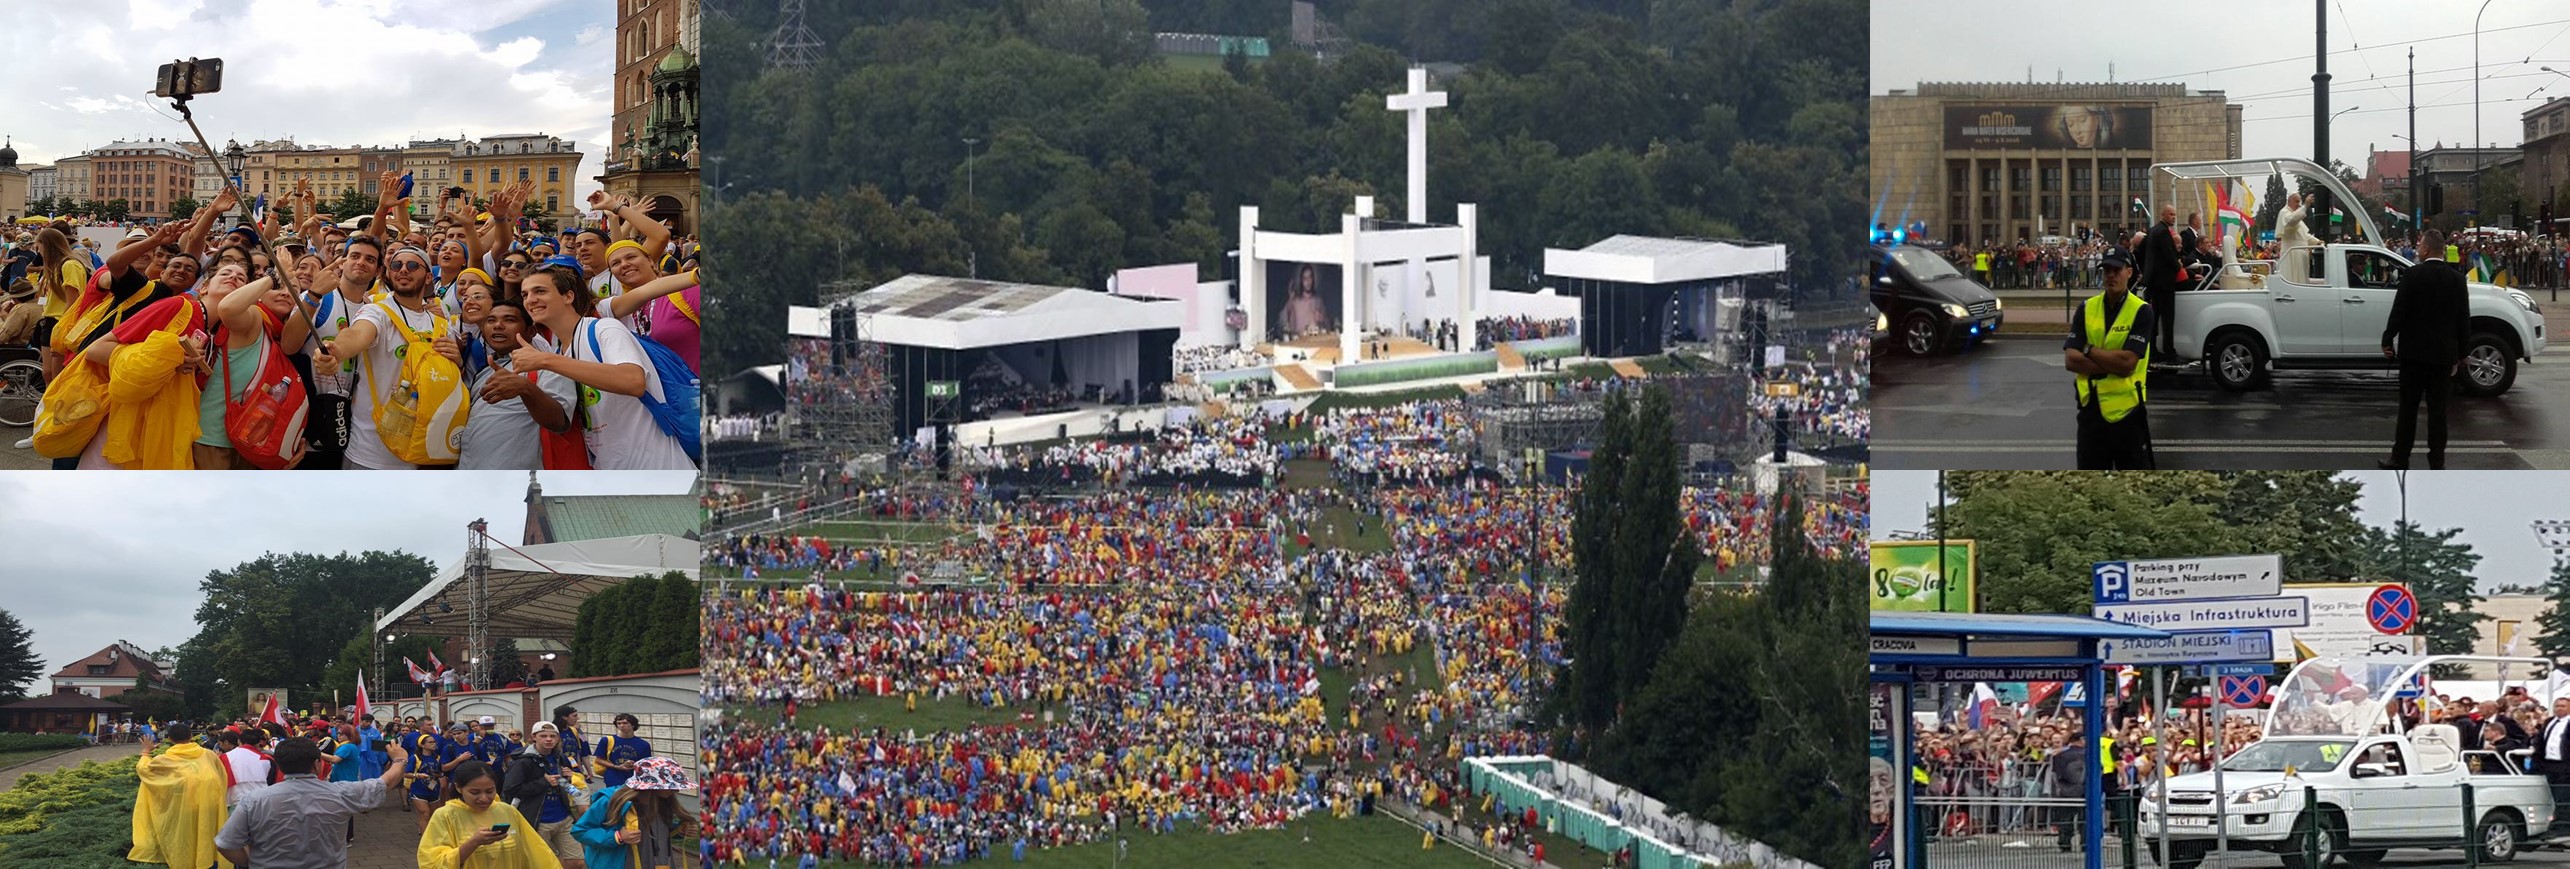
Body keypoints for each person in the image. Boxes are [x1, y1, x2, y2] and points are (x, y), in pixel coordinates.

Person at [212, 734, 410, 868]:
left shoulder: (254, 800)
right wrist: (400, 759)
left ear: (279, 764)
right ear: (317, 764)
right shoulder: (342, 793)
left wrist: (251, 862)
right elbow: (385, 783)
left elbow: (225, 843)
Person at [2381, 229, 2470, 470]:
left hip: (2414, 355)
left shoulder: (2412, 275)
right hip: (2443, 357)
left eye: (2420, 245)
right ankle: (2437, 461)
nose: (2419, 249)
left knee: (2408, 409)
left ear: (2425, 250)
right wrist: (2463, 353)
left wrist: (2388, 339)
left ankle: (2400, 457)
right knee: (2438, 412)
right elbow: (2463, 319)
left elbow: (2399, 311)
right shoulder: (2457, 280)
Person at [2064, 248, 2155, 469]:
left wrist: (2087, 348)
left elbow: (2127, 364)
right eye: (2106, 270)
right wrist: (2109, 361)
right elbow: (2071, 361)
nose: (2110, 275)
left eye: (2117, 269)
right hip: (2090, 413)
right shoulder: (2086, 308)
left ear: (2130, 272)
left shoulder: (2141, 311)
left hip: (2127, 414)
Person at [417, 759, 566, 869]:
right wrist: (473, 842)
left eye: (490, 791)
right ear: (458, 787)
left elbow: (535, 851)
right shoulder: (445, 815)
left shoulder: (507, 811)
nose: (484, 798)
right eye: (474, 792)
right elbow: (432, 863)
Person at [131, 723, 233, 869]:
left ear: (170, 739)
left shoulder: (165, 759)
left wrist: (146, 752)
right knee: (207, 837)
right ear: (191, 736)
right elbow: (222, 777)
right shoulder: (209, 755)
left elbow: (144, 770)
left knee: (186, 840)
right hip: (210, 808)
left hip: (184, 808)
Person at [571, 756, 699, 869]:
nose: (676, 791)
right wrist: (616, 837)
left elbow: (655, 832)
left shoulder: (662, 800)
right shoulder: (611, 801)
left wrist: (679, 831)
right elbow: (580, 831)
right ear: (651, 785)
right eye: (670, 786)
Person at [502, 722, 584, 867]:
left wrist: (570, 777)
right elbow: (509, 790)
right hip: (538, 820)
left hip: (564, 818)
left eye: (553, 736)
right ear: (534, 737)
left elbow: (564, 783)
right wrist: (542, 782)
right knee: (544, 863)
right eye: (543, 736)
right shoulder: (523, 761)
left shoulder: (560, 757)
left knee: (576, 862)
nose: (548, 739)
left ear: (558, 738)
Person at [2136, 204, 2184, 356]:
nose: (2174, 217)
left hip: (2152, 282)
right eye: (2171, 214)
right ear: (2163, 215)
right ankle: (2169, 350)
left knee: (2154, 318)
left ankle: (2152, 350)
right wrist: (2178, 267)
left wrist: (2146, 269)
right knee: (2167, 319)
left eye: (2175, 214)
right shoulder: (2163, 232)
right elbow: (2168, 254)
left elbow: (2139, 250)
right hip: (2164, 283)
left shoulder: (2152, 231)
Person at [591, 713, 652, 789]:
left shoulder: (644, 744)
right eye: (619, 723)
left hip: (634, 780)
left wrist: (632, 765)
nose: (622, 726)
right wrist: (617, 767)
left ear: (633, 725)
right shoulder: (606, 740)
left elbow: (646, 764)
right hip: (613, 778)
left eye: (625, 723)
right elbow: (599, 759)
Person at [1279, 265, 1330, 337]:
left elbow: (1328, 327)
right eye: (1305, 278)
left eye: (1310, 277)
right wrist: (1290, 299)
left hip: (1315, 343)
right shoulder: (1294, 301)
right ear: (1301, 281)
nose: (1308, 281)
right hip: (1299, 343)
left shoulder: (1318, 301)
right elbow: (1282, 323)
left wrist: (1322, 319)